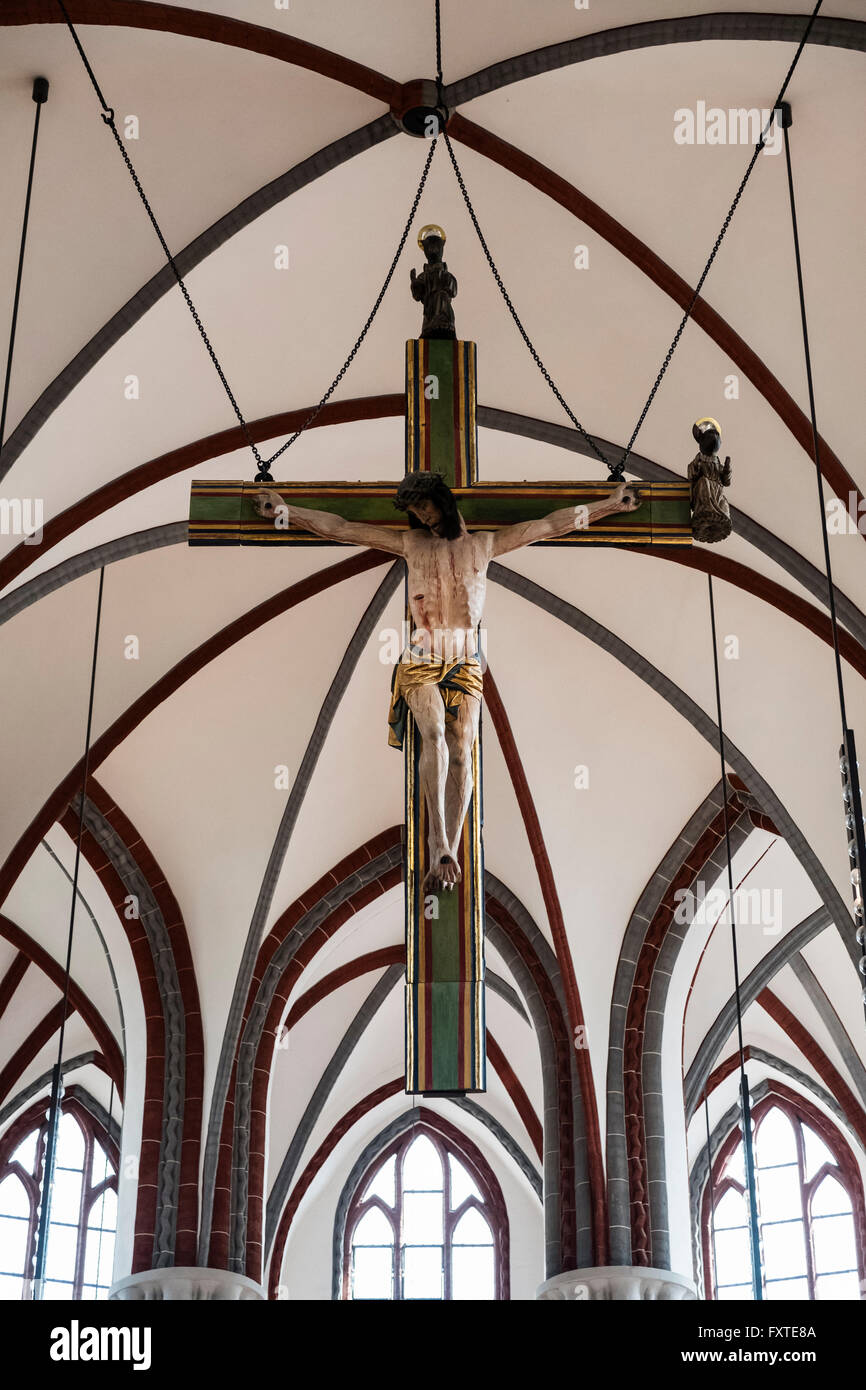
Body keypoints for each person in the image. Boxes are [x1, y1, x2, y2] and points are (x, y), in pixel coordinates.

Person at [254, 473, 639, 892]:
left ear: (443, 501)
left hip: (465, 662)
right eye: (417, 512)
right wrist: (286, 512)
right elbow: (343, 528)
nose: (424, 518)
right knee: (434, 731)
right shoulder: (412, 545)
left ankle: (449, 851)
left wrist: (610, 505)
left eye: (426, 508)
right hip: (422, 657)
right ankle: (437, 839)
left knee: (462, 750)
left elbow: (549, 525)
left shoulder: (484, 545)